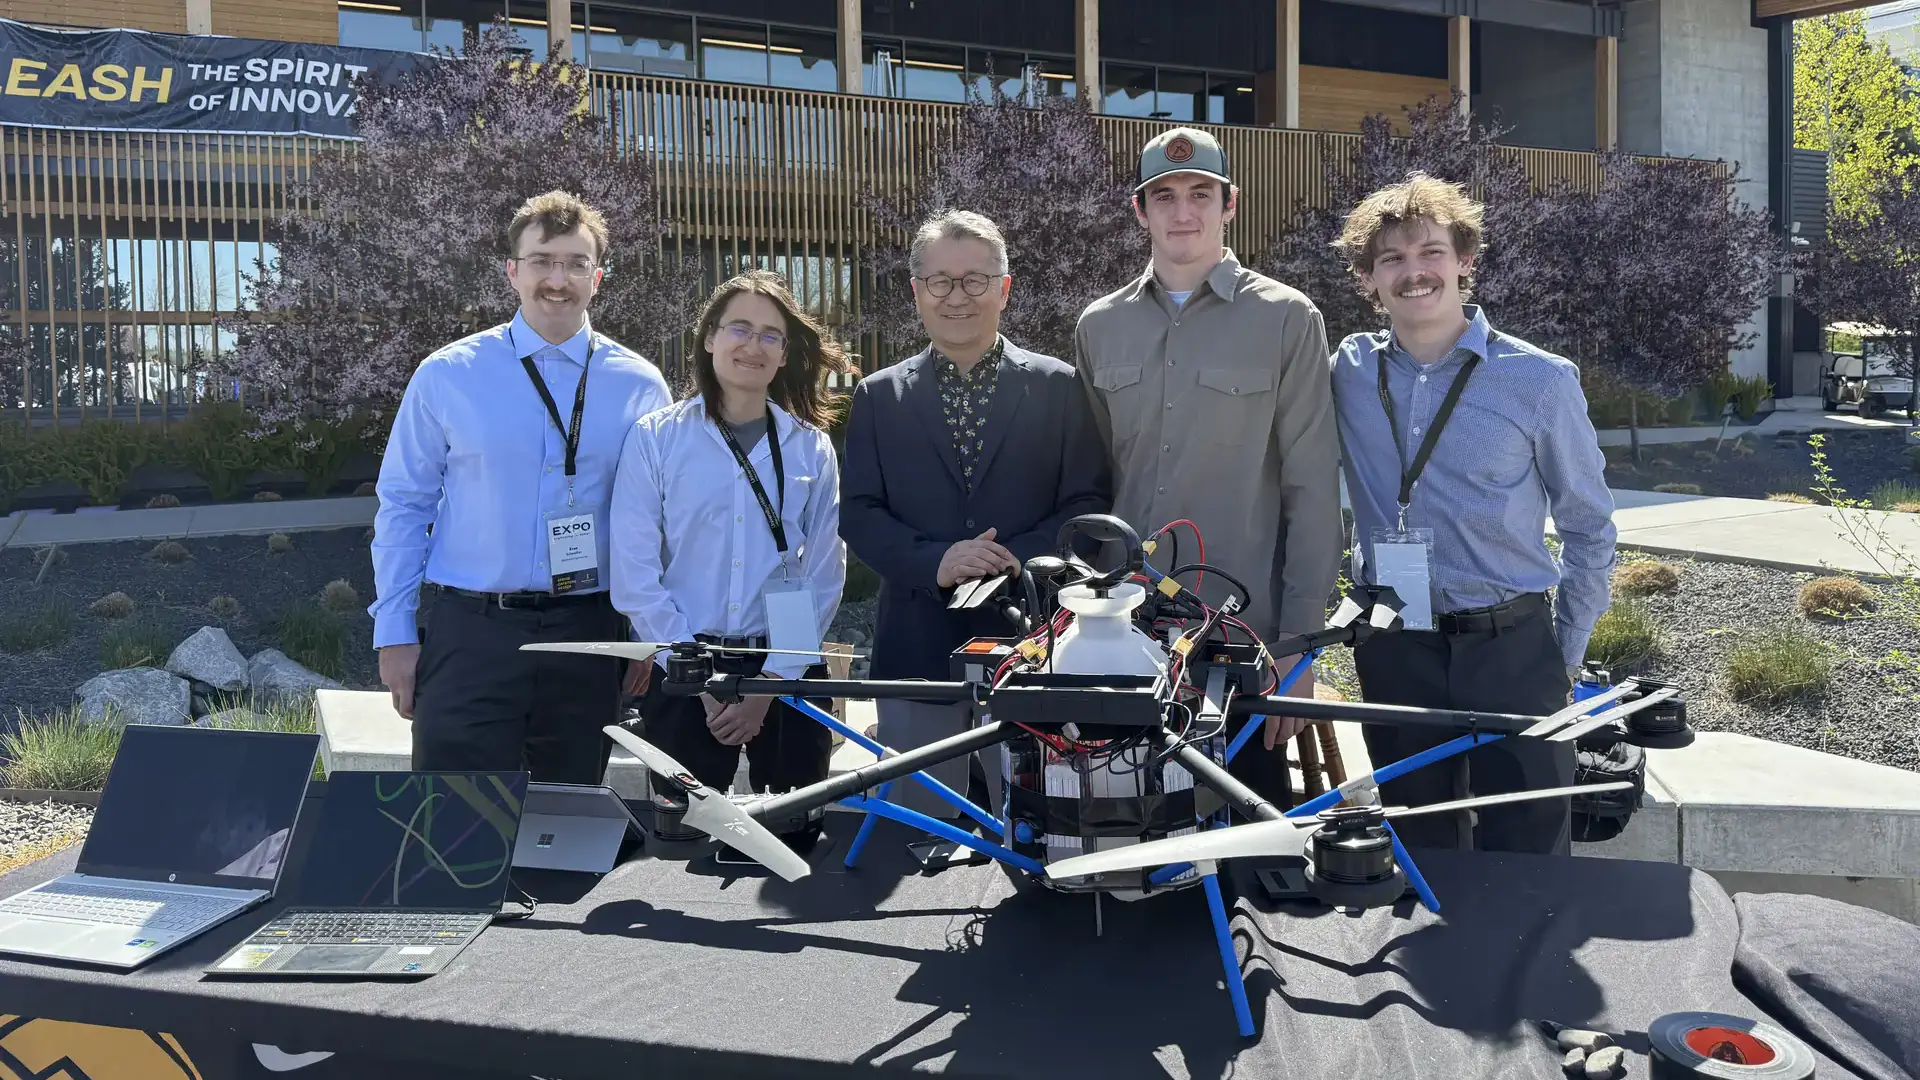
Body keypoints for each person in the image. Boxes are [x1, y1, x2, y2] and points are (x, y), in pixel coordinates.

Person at [1328, 171, 1618, 856]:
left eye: (1430, 251)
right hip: (1396, 644)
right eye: (1391, 259)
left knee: (1528, 851)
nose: (1414, 272)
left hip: (1511, 651)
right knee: (1418, 845)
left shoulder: (1540, 380)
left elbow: (1589, 527)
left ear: (1465, 260)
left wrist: (1562, 655)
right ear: (1368, 280)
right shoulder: (1347, 370)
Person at [1073, 127, 1343, 808]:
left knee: (1248, 838)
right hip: (1126, 629)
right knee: (1124, 825)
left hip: (1245, 632)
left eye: (1200, 193)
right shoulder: (1099, 327)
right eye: (1163, 195)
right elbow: (1096, 478)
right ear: (1140, 211)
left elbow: (1313, 489)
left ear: (1230, 204)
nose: (1182, 211)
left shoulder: (1287, 319)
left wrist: (1299, 645)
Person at [369, 189, 671, 785]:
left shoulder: (640, 385)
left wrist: (646, 633)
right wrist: (394, 634)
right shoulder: (448, 375)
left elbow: (658, 518)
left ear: (598, 277)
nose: (557, 279)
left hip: (589, 635)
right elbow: (404, 506)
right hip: (472, 633)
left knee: (567, 825)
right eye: (542, 261)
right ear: (512, 271)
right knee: (450, 825)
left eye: (575, 263)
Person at [840, 209, 1112, 824]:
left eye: (974, 280)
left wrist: (1022, 557)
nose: (956, 296)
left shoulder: (1060, 387)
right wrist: (935, 560)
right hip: (916, 647)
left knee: (1036, 831)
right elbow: (859, 513)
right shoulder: (880, 397)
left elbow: (1089, 504)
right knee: (916, 835)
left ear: (1005, 288)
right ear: (916, 291)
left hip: (1033, 644)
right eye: (939, 281)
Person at [610, 270, 850, 820]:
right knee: (680, 839)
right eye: (739, 328)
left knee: (793, 837)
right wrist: (695, 676)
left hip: (786, 665)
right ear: (710, 337)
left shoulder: (811, 447)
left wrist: (769, 684)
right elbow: (635, 572)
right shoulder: (657, 438)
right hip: (686, 663)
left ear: (785, 353)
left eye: (771, 335)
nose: (753, 345)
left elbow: (823, 571)